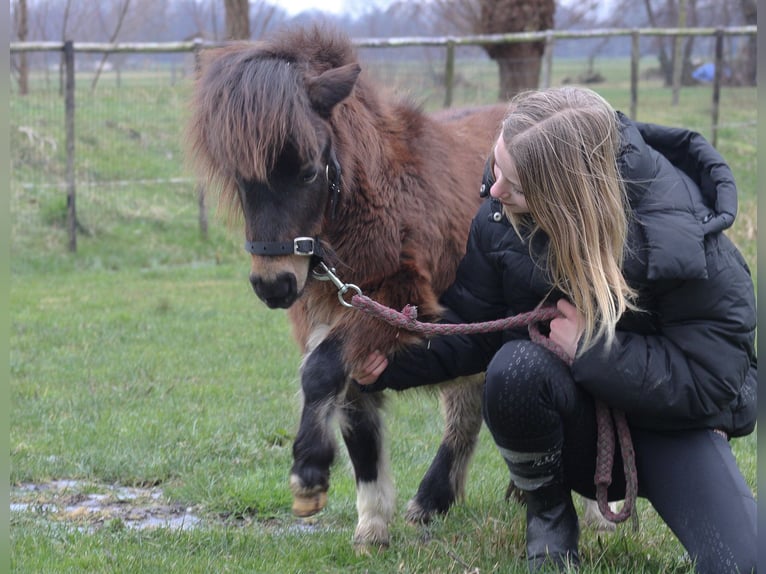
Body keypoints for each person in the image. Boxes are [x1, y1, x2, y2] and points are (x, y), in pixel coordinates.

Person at [352, 86, 757, 573]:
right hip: (574, 427)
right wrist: (391, 362)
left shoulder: (687, 234)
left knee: (745, 562)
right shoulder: (501, 220)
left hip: (672, 428)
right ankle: (548, 514)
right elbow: (475, 330)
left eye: (514, 184)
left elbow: (714, 380)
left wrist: (592, 350)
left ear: (568, 194)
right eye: (497, 168)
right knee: (513, 368)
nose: (494, 190)